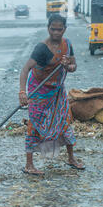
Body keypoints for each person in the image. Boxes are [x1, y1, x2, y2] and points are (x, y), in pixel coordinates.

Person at [18, 14, 85, 176]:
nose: (56, 32)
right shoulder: (42, 48)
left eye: (59, 29)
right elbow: (25, 69)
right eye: (52, 29)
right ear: (48, 29)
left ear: (64, 29)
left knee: (65, 122)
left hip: (57, 92)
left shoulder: (67, 45)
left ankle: (71, 158)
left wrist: (68, 65)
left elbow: (73, 66)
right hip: (38, 92)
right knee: (34, 125)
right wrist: (22, 92)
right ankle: (29, 164)